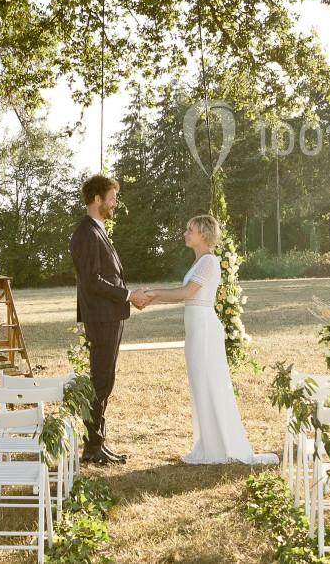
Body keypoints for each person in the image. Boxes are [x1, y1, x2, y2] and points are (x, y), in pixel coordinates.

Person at [138, 215, 276, 465]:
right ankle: (209, 444)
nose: (185, 233)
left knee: (211, 382)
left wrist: (155, 294)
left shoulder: (209, 261)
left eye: (190, 230)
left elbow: (188, 293)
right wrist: (154, 296)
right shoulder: (199, 261)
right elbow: (187, 294)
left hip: (204, 328)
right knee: (200, 384)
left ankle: (222, 446)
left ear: (203, 234)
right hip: (195, 328)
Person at [70, 174, 152, 465]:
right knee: (101, 381)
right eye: (112, 198)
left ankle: (97, 444)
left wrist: (127, 297)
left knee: (106, 380)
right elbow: (93, 281)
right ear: (97, 199)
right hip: (101, 317)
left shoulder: (98, 230)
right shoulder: (86, 233)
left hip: (109, 315)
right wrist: (128, 295)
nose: (115, 203)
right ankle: (93, 447)